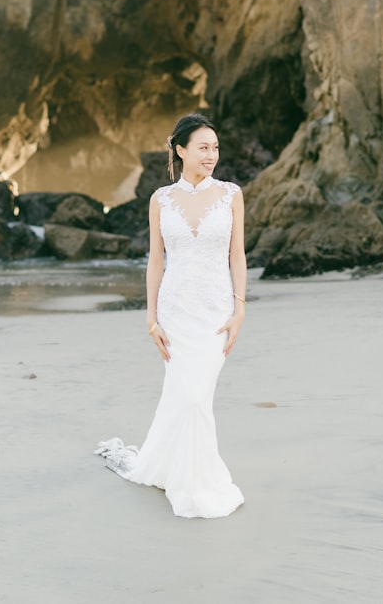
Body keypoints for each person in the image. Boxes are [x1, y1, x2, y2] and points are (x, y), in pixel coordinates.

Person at [96, 113, 246, 519]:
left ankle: (199, 479)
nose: (211, 155)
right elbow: (156, 261)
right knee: (185, 396)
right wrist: (152, 319)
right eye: (203, 147)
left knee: (198, 396)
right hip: (175, 313)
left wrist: (239, 310)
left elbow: (237, 255)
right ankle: (181, 474)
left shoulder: (231, 194)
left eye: (215, 147)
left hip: (216, 313)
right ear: (180, 150)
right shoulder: (161, 199)